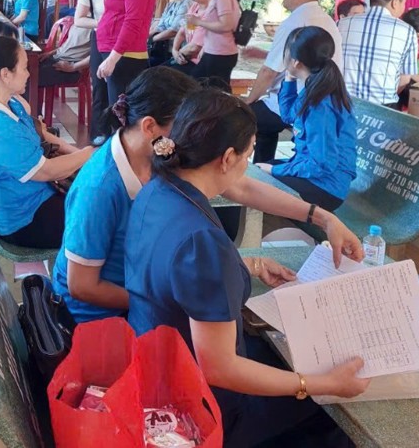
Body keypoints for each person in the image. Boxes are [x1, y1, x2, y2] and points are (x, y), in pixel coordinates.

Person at [126, 89, 369, 447]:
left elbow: (176, 266)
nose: (247, 164)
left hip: (154, 369)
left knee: (282, 357)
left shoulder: (159, 187)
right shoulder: (203, 243)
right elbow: (220, 368)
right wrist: (322, 385)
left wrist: (319, 221)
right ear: (227, 158)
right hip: (200, 410)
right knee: (335, 413)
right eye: (249, 153)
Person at [51, 67, 201, 323]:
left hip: (137, 285)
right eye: (183, 130)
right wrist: (161, 301)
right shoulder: (100, 189)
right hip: (99, 317)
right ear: (150, 126)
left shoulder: (156, 153)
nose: (187, 141)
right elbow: (82, 286)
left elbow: (236, 186)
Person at [0, 37, 94, 247]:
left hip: (33, 196)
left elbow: (41, 134)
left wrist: (77, 153)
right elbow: (47, 171)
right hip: (23, 220)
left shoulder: (8, 103)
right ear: (5, 74)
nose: (29, 74)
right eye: (24, 68)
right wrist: (89, 154)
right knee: (102, 219)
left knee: (100, 200)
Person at [245, 0, 342, 164]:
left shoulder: (294, 21)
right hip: (323, 98)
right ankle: (264, 166)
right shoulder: (327, 20)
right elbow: (304, 58)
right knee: (264, 123)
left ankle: (257, 168)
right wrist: (263, 54)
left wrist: (248, 101)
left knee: (242, 116)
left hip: (297, 103)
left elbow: (268, 72)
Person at [257, 27, 357, 212]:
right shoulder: (316, 87)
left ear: (296, 62)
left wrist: (274, 171)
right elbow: (288, 116)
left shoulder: (319, 103)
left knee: (254, 182)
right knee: (257, 172)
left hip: (325, 188)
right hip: (316, 176)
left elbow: (322, 164)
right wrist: (289, 78)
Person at [96, 0, 157, 114]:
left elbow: (133, 20)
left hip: (125, 55)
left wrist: (113, 58)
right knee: (114, 111)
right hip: (117, 52)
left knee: (121, 114)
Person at [338, 0, 418, 108]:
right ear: (395, 3)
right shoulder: (407, 31)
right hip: (382, 108)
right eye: (404, 3)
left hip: (342, 104)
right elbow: (404, 79)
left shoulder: (341, 24)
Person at [76, 0, 119, 144]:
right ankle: (98, 135)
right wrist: (103, 23)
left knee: (119, 92)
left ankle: (119, 138)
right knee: (100, 89)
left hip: (124, 41)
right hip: (101, 40)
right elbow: (79, 19)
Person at [183, 0, 242, 86]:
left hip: (220, 53)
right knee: (203, 88)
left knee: (202, 88)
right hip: (215, 51)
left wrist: (198, 21)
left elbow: (226, 25)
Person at [148, 0, 193, 67]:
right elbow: (161, 26)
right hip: (165, 49)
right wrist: (147, 36)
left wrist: (152, 39)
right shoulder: (171, 4)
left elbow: (174, 30)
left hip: (180, 52)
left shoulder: (187, 1)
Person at [38, 17, 91, 88]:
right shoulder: (79, 19)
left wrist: (73, 67)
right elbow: (67, 46)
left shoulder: (96, 25)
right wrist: (49, 53)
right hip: (57, 58)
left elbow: (97, 56)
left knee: (32, 75)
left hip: (71, 67)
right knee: (27, 66)